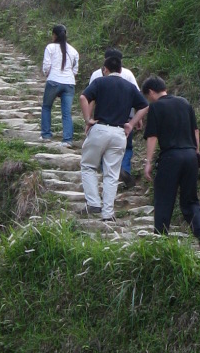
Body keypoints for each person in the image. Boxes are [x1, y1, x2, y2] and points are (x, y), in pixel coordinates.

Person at [137, 76, 200, 253]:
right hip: (190, 155)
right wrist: (196, 152)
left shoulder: (156, 107)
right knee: (190, 201)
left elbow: (153, 136)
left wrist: (148, 162)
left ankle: (160, 240)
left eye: (148, 97)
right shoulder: (185, 103)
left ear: (151, 92)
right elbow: (195, 130)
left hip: (171, 157)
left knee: (164, 199)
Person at [79, 54, 147, 222]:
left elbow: (83, 97)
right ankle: (107, 213)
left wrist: (88, 119)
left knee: (88, 166)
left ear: (105, 69)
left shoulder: (100, 82)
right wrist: (131, 124)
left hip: (100, 129)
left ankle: (94, 202)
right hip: (119, 134)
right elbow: (144, 106)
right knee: (112, 174)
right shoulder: (129, 86)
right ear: (121, 70)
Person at [87, 49, 140, 184]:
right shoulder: (127, 73)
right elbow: (137, 96)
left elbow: (90, 99)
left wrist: (88, 119)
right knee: (127, 146)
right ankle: (125, 170)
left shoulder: (97, 75)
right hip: (126, 117)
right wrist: (137, 120)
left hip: (103, 118)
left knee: (104, 148)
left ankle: (108, 175)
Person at [40, 24, 78, 144]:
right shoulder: (73, 51)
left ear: (54, 35)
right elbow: (75, 70)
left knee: (47, 107)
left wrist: (48, 75)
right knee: (66, 112)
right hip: (69, 83)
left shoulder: (50, 48)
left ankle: (46, 134)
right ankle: (67, 139)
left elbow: (46, 66)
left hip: (54, 81)